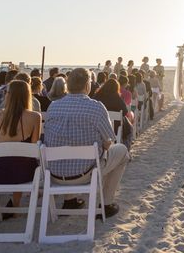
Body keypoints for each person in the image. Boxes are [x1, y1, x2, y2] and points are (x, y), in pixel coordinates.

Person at [44, 68, 129, 217]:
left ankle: (69, 201)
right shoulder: (96, 107)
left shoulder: (53, 107)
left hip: (55, 174)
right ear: (87, 85)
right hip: (85, 174)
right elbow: (109, 140)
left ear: (68, 86)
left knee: (68, 145)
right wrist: (103, 145)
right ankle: (106, 203)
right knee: (122, 151)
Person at [0, 80, 41, 210]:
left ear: (8, 95)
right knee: (21, 161)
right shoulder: (34, 117)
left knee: (11, 161)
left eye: (6, 92)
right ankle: (16, 204)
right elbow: (34, 150)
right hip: (26, 174)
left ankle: (10, 206)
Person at [93, 79, 131, 147]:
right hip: (115, 127)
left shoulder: (97, 96)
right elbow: (125, 111)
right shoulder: (117, 98)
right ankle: (126, 148)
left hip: (99, 127)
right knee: (129, 128)